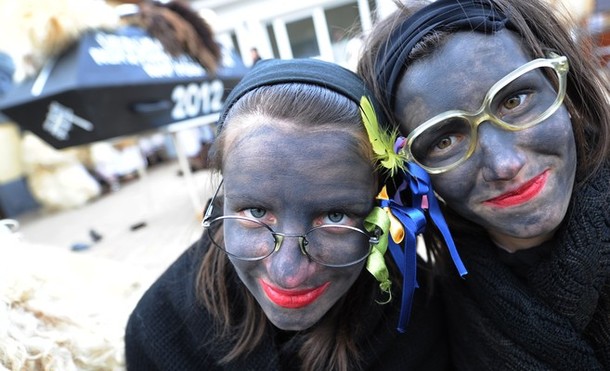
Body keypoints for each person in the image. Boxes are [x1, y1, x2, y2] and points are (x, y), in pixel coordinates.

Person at [124, 58, 451, 370]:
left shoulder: (422, 319)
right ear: (223, 198)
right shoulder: (159, 326)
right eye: (255, 212)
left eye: (335, 216)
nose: (288, 274)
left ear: (382, 209)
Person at [358, 0, 610, 369]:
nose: (504, 164)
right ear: (411, 172)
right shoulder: (422, 322)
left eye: (515, 100)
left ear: (560, 82)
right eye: (445, 141)